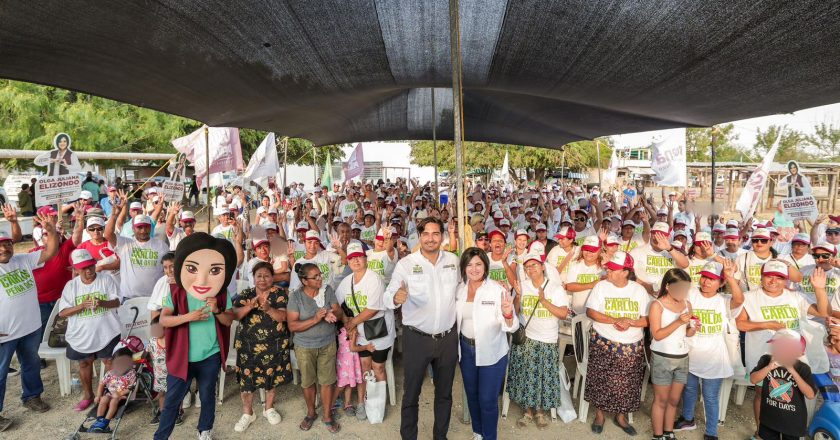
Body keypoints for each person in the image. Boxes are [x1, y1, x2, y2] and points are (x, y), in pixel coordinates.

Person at [155, 233, 237, 440]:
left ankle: (205, 431)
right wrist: (187, 317)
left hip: (210, 355)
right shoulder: (176, 292)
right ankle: (161, 437)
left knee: (207, 396)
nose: (203, 277)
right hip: (182, 357)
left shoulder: (220, 292)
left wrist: (218, 310)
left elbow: (228, 320)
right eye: (192, 268)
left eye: (214, 270)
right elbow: (164, 320)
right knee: (173, 400)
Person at [385, 217, 461, 440]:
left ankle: (441, 436)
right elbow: (388, 294)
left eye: (435, 233)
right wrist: (396, 298)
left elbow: (463, 290)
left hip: (447, 338)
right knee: (411, 394)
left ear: (442, 236)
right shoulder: (406, 264)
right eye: (426, 234)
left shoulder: (453, 261)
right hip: (416, 339)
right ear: (419, 237)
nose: (430, 238)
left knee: (444, 394)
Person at [736, 260, 828, 439]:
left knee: (795, 394)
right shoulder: (749, 296)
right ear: (761, 276)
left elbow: (823, 312)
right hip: (763, 355)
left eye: (779, 277)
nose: (773, 281)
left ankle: (792, 431)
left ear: (786, 280)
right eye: (769, 276)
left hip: (794, 356)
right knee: (762, 393)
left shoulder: (795, 296)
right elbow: (741, 323)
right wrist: (767, 324)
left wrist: (820, 289)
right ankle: (760, 431)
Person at [0, 209, 58, 432]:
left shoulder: (23, 260)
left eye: (7, 244)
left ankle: (32, 396)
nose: (4, 249)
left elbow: (50, 252)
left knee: (31, 364)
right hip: (4, 333)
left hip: (31, 327)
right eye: (1, 245)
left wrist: (51, 231)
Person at [675, 260, 744, 439]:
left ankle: (711, 432)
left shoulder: (724, 301)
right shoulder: (691, 293)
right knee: (689, 389)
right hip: (690, 352)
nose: (706, 282)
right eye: (704, 277)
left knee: (710, 396)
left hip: (715, 358)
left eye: (712, 279)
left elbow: (739, 299)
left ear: (721, 283)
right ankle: (688, 418)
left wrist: (730, 278)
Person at [585, 251, 650, 436]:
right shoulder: (601, 286)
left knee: (628, 384)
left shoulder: (638, 290)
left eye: (613, 269)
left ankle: (621, 416)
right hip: (603, 341)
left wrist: (629, 322)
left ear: (625, 272)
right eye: (609, 268)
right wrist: (615, 319)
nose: (609, 271)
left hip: (631, 344)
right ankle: (599, 415)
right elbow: (591, 312)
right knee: (600, 380)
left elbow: (647, 320)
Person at [456, 247, 517, 440]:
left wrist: (508, 313)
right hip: (466, 350)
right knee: (472, 396)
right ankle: (478, 433)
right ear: (464, 267)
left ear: (486, 266)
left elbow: (512, 326)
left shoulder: (497, 289)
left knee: (488, 400)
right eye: (469, 264)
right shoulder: (459, 289)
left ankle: (490, 437)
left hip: (492, 352)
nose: (474, 269)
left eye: (478, 264)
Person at [335, 241, 396, 420]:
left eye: (359, 257)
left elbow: (373, 309)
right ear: (348, 261)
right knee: (364, 367)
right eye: (352, 258)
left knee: (378, 367)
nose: (356, 261)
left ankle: (378, 404)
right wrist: (345, 319)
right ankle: (362, 401)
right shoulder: (347, 282)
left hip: (379, 331)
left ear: (365, 258)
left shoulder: (374, 278)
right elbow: (337, 305)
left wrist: (351, 323)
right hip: (360, 333)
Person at [509, 251, 569, 429]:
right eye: (527, 267)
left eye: (534, 265)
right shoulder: (523, 286)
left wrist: (543, 301)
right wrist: (518, 296)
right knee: (526, 376)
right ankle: (528, 411)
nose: (531, 269)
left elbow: (563, 313)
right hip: (527, 339)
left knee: (544, 378)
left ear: (543, 266)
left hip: (548, 339)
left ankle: (541, 412)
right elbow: (515, 311)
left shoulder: (555, 288)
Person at [58, 249, 122, 413]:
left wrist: (102, 303)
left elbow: (117, 302)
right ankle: (88, 396)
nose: (88, 271)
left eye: (90, 266)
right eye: (83, 268)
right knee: (84, 363)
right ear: (75, 269)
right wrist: (81, 306)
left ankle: (110, 396)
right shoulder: (71, 286)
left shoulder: (106, 279)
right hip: (80, 335)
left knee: (109, 362)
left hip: (107, 332)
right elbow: (63, 312)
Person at [230, 262, 291, 432]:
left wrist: (269, 309)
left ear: (272, 277)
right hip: (247, 346)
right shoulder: (247, 294)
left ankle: (268, 408)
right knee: (246, 381)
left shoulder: (279, 294)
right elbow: (235, 315)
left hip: (274, 345)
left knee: (271, 377)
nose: (263, 279)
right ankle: (248, 413)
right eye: (259, 276)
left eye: (266, 276)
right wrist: (250, 306)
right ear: (254, 278)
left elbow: (284, 317)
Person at [287, 263, 343, 434]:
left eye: (320, 275)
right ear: (304, 281)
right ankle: (311, 413)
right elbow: (292, 326)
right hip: (304, 346)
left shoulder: (327, 290)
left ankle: (327, 415)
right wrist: (315, 319)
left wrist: (332, 314)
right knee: (308, 381)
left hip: (327, 343)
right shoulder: (296, 297)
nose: (320, 279)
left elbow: (339, 311)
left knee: (327, 381)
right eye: (315, 277)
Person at [648, 269, 695, 440]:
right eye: (680, 288)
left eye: (686, 289)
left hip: (682, 356)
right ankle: (658, 435)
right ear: (668, 286)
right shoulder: (657, 305)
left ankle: (669, 432)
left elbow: (687, 333)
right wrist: (678, 322)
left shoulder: (687, 304)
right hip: (662, 357)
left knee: (674, 400)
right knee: (661, 400)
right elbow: (657, 335)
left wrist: (693, 328)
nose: (683, 292)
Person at [749, 329, 816, 440]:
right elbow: (753, 380)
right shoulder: (766, 360)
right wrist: (768, 367)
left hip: (792, 422)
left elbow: (810, 395)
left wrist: (792, 371)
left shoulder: (803, 368)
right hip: (768, 418)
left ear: (799, 353)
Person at [105, 190, 169, 299]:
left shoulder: (161, 246)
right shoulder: (125, 244)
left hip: (154, 298)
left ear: (151, 227)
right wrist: (115, 215)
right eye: (139, 227)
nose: (143, 230)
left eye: (146, 226)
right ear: (133, 229)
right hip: (129, 299)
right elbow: (107, 234)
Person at [87, 347, 137, 433]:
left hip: (122, 396)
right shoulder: (110, 373)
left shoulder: (131, 373)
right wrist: (98, 395)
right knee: (103, 399)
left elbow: (131, 387)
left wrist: (120, 393)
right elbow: (102, 384)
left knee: (114, 401)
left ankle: (106, 422)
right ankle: (99, 420)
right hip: (109, 394)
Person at [147, 316, 184, 426]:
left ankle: (178, 412)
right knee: (161, 394)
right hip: (159, 375)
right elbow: (149, 353)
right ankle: (163, 413)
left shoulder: (172, 340)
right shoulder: (152, 341)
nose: (155, 331)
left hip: (173, 374)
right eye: (153, 329)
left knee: (175, 394)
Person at [564, 235, 605, 314]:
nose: (588, 253)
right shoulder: (575, 265)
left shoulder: (605, 268)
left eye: (592, 250)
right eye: (586, 249)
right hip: (577, 313)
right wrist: (591, 285)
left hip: (597, 315)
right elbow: (569, 286)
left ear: (599, 251)